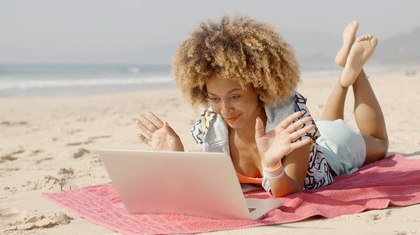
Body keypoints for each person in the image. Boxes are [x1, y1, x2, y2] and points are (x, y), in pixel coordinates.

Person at [136, 15, 389, 197]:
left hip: (334, 147)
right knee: (328, 121)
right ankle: (345, 73)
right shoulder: (211, 126)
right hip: (318, 135)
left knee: (377, 142)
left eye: (235, 96)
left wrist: (272, 165)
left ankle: (357, 71)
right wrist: (176, 159)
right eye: (214, 98)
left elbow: (290, 189)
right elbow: (207, 189)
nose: (225, 110)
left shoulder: (291, 119)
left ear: (258, 88)